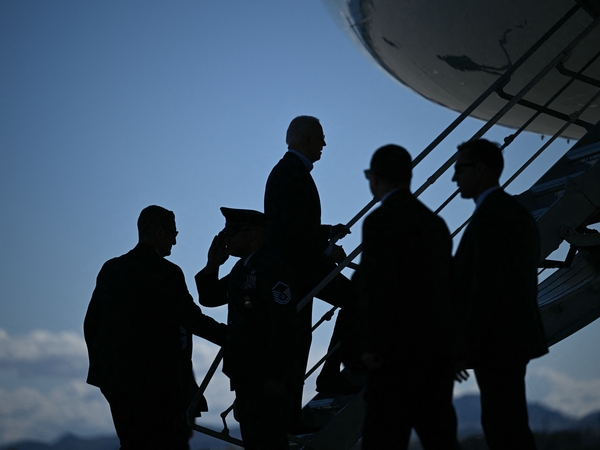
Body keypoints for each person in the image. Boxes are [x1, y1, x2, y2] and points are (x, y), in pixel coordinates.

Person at [84, 205, 226, 450]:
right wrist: (235, 337)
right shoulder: (166, 272)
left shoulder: (111, 269)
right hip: (158, 386)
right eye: (173, 233)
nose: (175, 241)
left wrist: (104, 372)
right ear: (160, 233)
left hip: (117, 383)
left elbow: (91, 325)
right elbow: (192, 319)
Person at [359, 145, 460, 450]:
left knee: (384, 439)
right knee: (440, 438)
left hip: (394, 357)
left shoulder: (379, 222)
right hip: (434, 354)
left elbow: (380, 288)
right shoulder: (435, 224)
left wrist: (371, 345)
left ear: (375, 178)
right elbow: (444, 288)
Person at [452, 139, 549, 450]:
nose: (454, 178)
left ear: (481, 169)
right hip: (506, 338)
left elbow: (486, 288)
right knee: (507, 424)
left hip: (498, 340)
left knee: (504, 428)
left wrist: (464, 343)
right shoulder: (509, 212)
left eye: (460, 169)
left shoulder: (493, 217)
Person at [264, 115, 360, 402]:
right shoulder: (294, 173)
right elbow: (294, 230)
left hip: (295, 269)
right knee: (357, 299)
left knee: (299, 341)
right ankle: (331, 372)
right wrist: (328, 250)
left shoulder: (286, 171)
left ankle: (293, 412)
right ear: (306, 139)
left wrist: (328, 231)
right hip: (302, 268)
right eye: (320, 137)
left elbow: (292, 224)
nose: (324, 144)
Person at [195, 207, 301, 449]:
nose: (226, 239)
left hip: (265, 375)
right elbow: (209, 297)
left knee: (269, 441)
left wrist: (276, 376)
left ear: (253, 234)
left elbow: (284, 324)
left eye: (231, 232)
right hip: (245, 373)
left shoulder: (270, 267)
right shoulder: (241, 270)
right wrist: (213, 264)